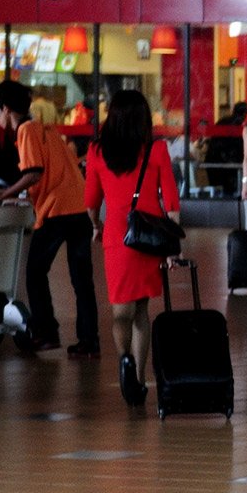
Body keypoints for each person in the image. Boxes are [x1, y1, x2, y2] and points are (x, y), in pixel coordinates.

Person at [84, 90, 181, 406]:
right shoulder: (157, 150)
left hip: (117, 236)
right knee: (141, 310)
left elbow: (90, 202)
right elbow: (172, 202)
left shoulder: (97, 152)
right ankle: (138, 379)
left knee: (120, 311)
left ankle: (124, 359)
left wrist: (96, 227)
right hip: (149, 238)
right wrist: (172, 246)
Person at [0, 83, 99, 358]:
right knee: (82, 279)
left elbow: (34, 172)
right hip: (79, 207)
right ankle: (89, 340)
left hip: (57, 212)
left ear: (6, 109)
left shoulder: (25, 130)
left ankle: (47, 333)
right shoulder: (47, 128)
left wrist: (4, 193)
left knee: (35, 273)